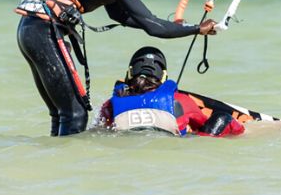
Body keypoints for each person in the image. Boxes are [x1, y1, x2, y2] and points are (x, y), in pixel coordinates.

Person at [15, 0, 216, 137]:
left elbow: (122, 17)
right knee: (76, 114)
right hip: (43, 32)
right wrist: (196, 29)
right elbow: (153, 27)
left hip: (29, 30)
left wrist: (174, 26)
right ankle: (71, 167)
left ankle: (56, 160)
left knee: (62, 113)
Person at [94, 46, 245, 137]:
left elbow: (102, 130)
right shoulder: (180, 100)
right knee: (221, 118)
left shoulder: (110, 105)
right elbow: (202, 123)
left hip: (127, 147)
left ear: (129, 73)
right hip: (171, 147)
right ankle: (247, 133)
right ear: (164, 76)